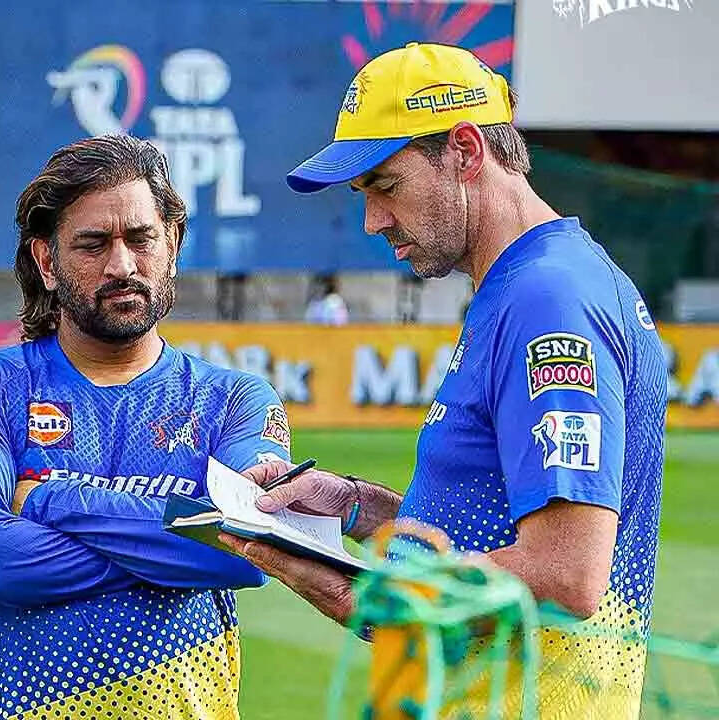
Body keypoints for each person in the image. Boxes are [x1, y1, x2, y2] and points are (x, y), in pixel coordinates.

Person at [223, 43, 667, 718]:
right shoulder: (531, 283)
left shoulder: (548, 298)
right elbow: (485, 523)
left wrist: (364, 595)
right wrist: (354, 505)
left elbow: (566, 572)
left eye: (385, 186)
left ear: (464, 150)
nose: (372, 221)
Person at [0, 134, 292, 719]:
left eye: (141, 239)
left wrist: (46, 500)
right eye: (93, 245)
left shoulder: (235, 402)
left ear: (172, 245)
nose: (122, 266)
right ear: (47, 262)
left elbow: (249, 549)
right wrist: (174, 551)